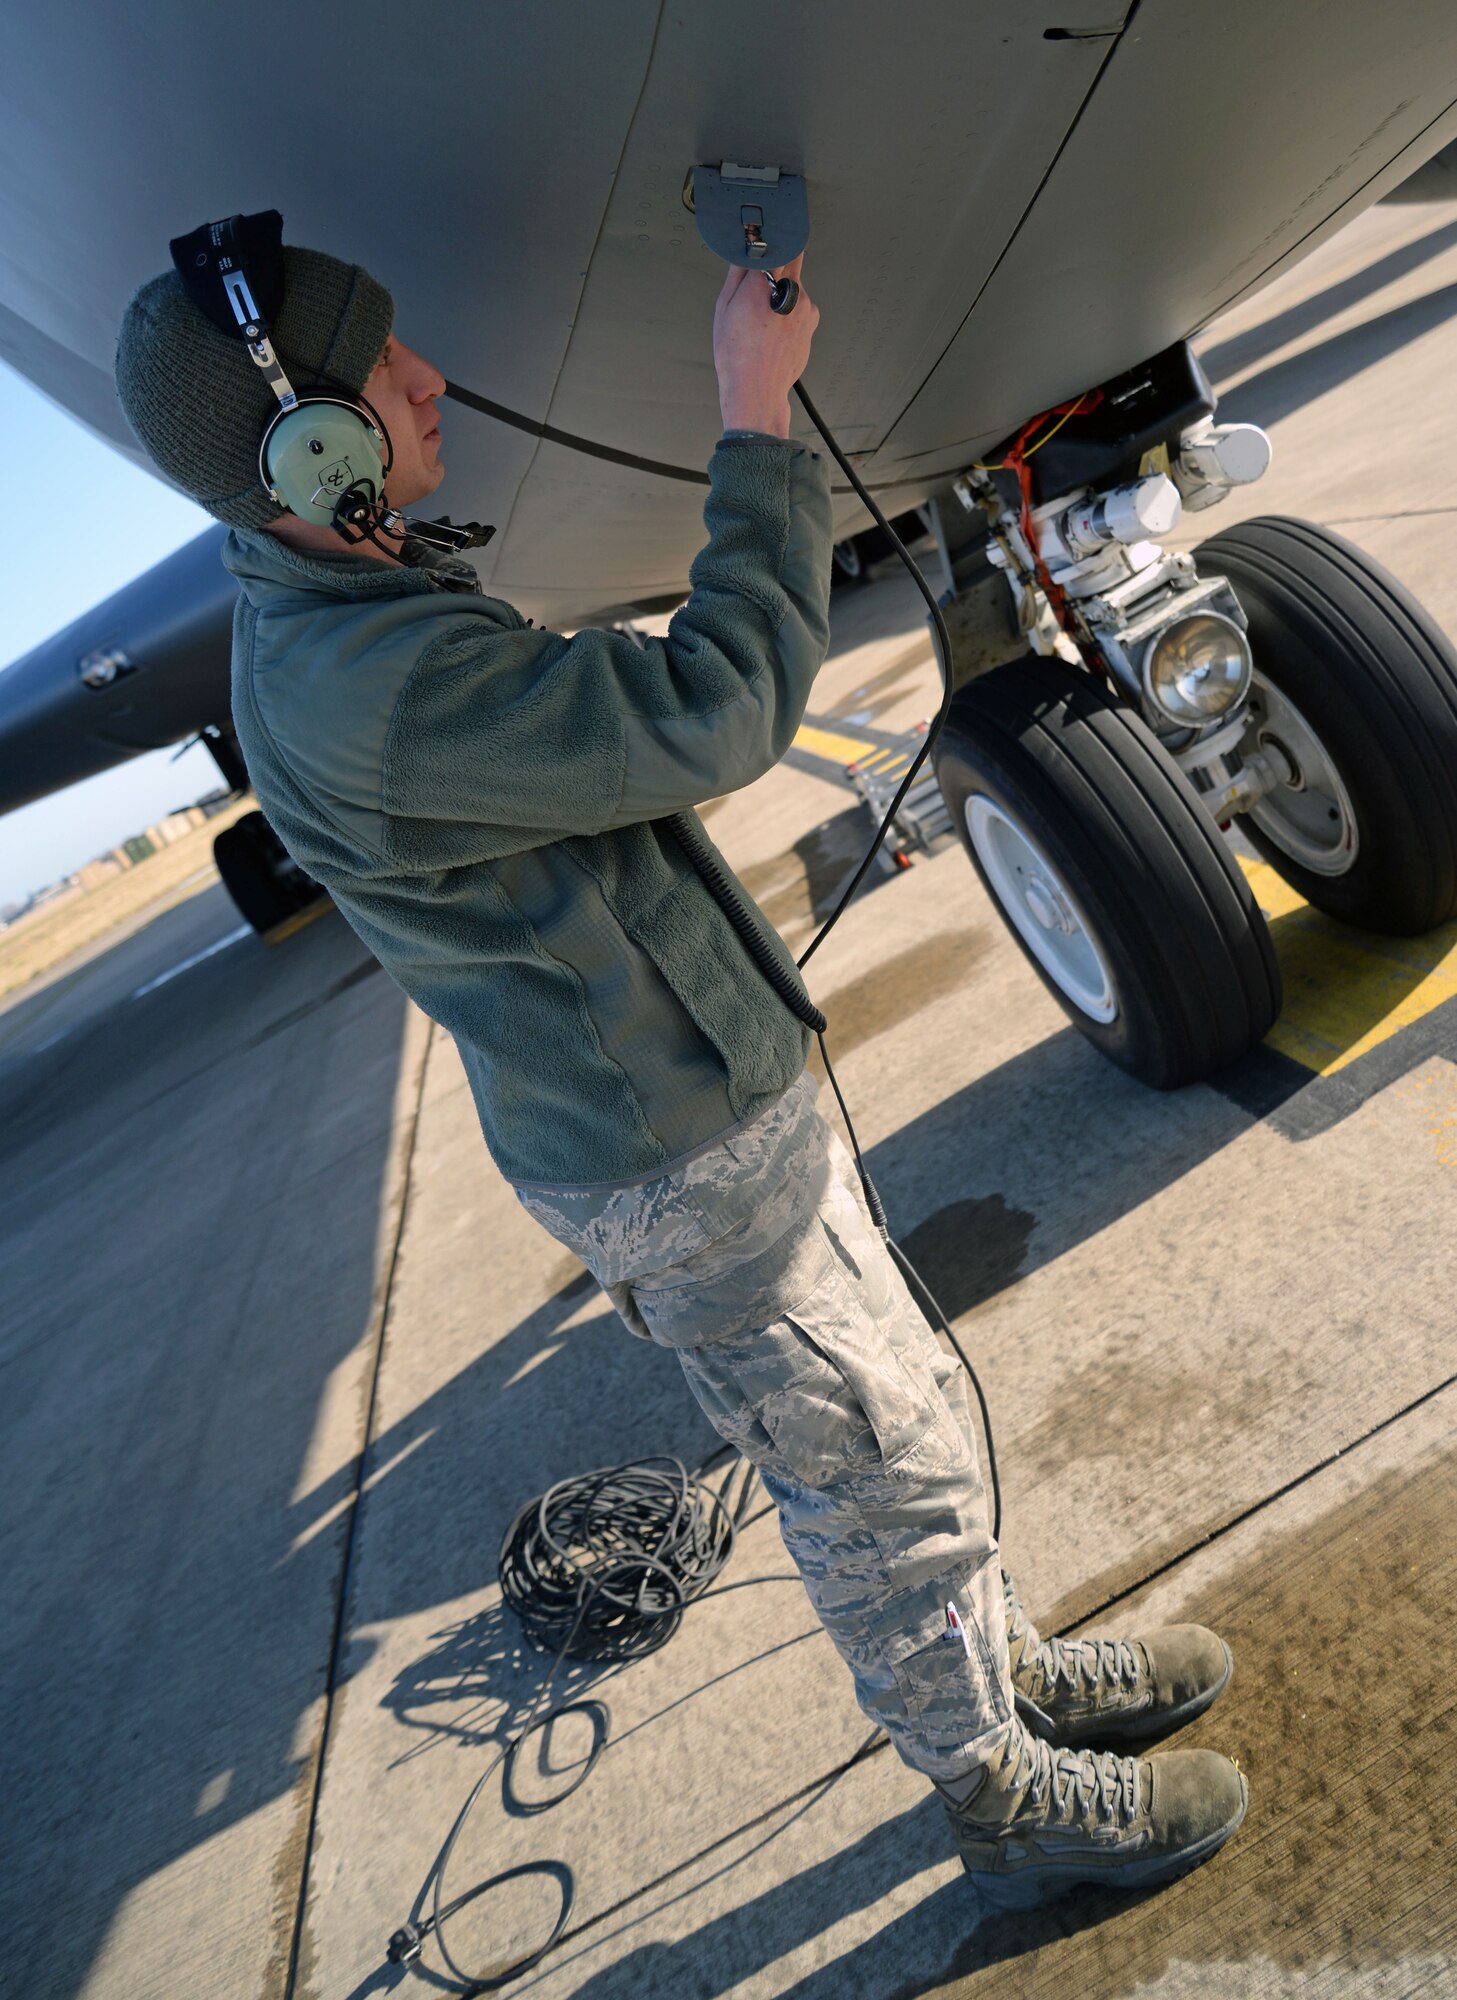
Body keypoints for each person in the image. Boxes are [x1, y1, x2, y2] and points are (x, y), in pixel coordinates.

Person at [114, 215, 1247, 1908]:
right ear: (309, 446)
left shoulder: (359, 602)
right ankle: (994, 1784)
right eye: (385, 372)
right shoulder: (363, 686)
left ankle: (998, 1661)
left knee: (907, 1416)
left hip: (717, 1109)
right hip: (678, 1158)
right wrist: (751, 420)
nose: (430, 382)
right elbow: (714, 715)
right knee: (875, 1473)